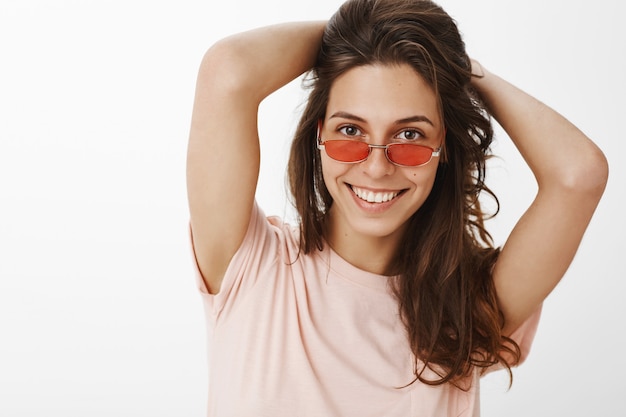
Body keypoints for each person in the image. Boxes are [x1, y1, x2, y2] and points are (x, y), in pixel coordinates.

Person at [186, 0, 608, 415]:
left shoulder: (467, 306)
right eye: (349, 130)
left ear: (442, 145)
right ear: (320, 136)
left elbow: (578, 175)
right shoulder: (250, 268)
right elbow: (228, 69)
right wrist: (356, 36)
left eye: (409, 135)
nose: (375, 166)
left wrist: (457, 69)